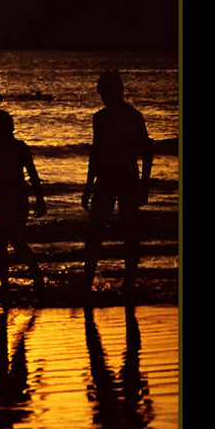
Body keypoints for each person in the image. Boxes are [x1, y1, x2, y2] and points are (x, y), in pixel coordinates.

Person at [81, 69, 153, 294]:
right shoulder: (121, 116)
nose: (102, 95)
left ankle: (120, 283)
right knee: (112, 232)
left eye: (103, 91)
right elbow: (97, 153)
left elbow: (145, 151)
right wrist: (88, 187)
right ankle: (110, 282)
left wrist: (144, 184)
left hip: (119, 179)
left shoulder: (119, 117)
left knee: (112, 233)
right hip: (118, 179)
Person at [0, 110, 47, 303]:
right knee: (17, 240)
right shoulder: (20, 147)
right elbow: (33, 176)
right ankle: (36, 276)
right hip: (19, 197)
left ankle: (6, 286)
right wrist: (40, 199)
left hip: (0, 199)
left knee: (1, 245)